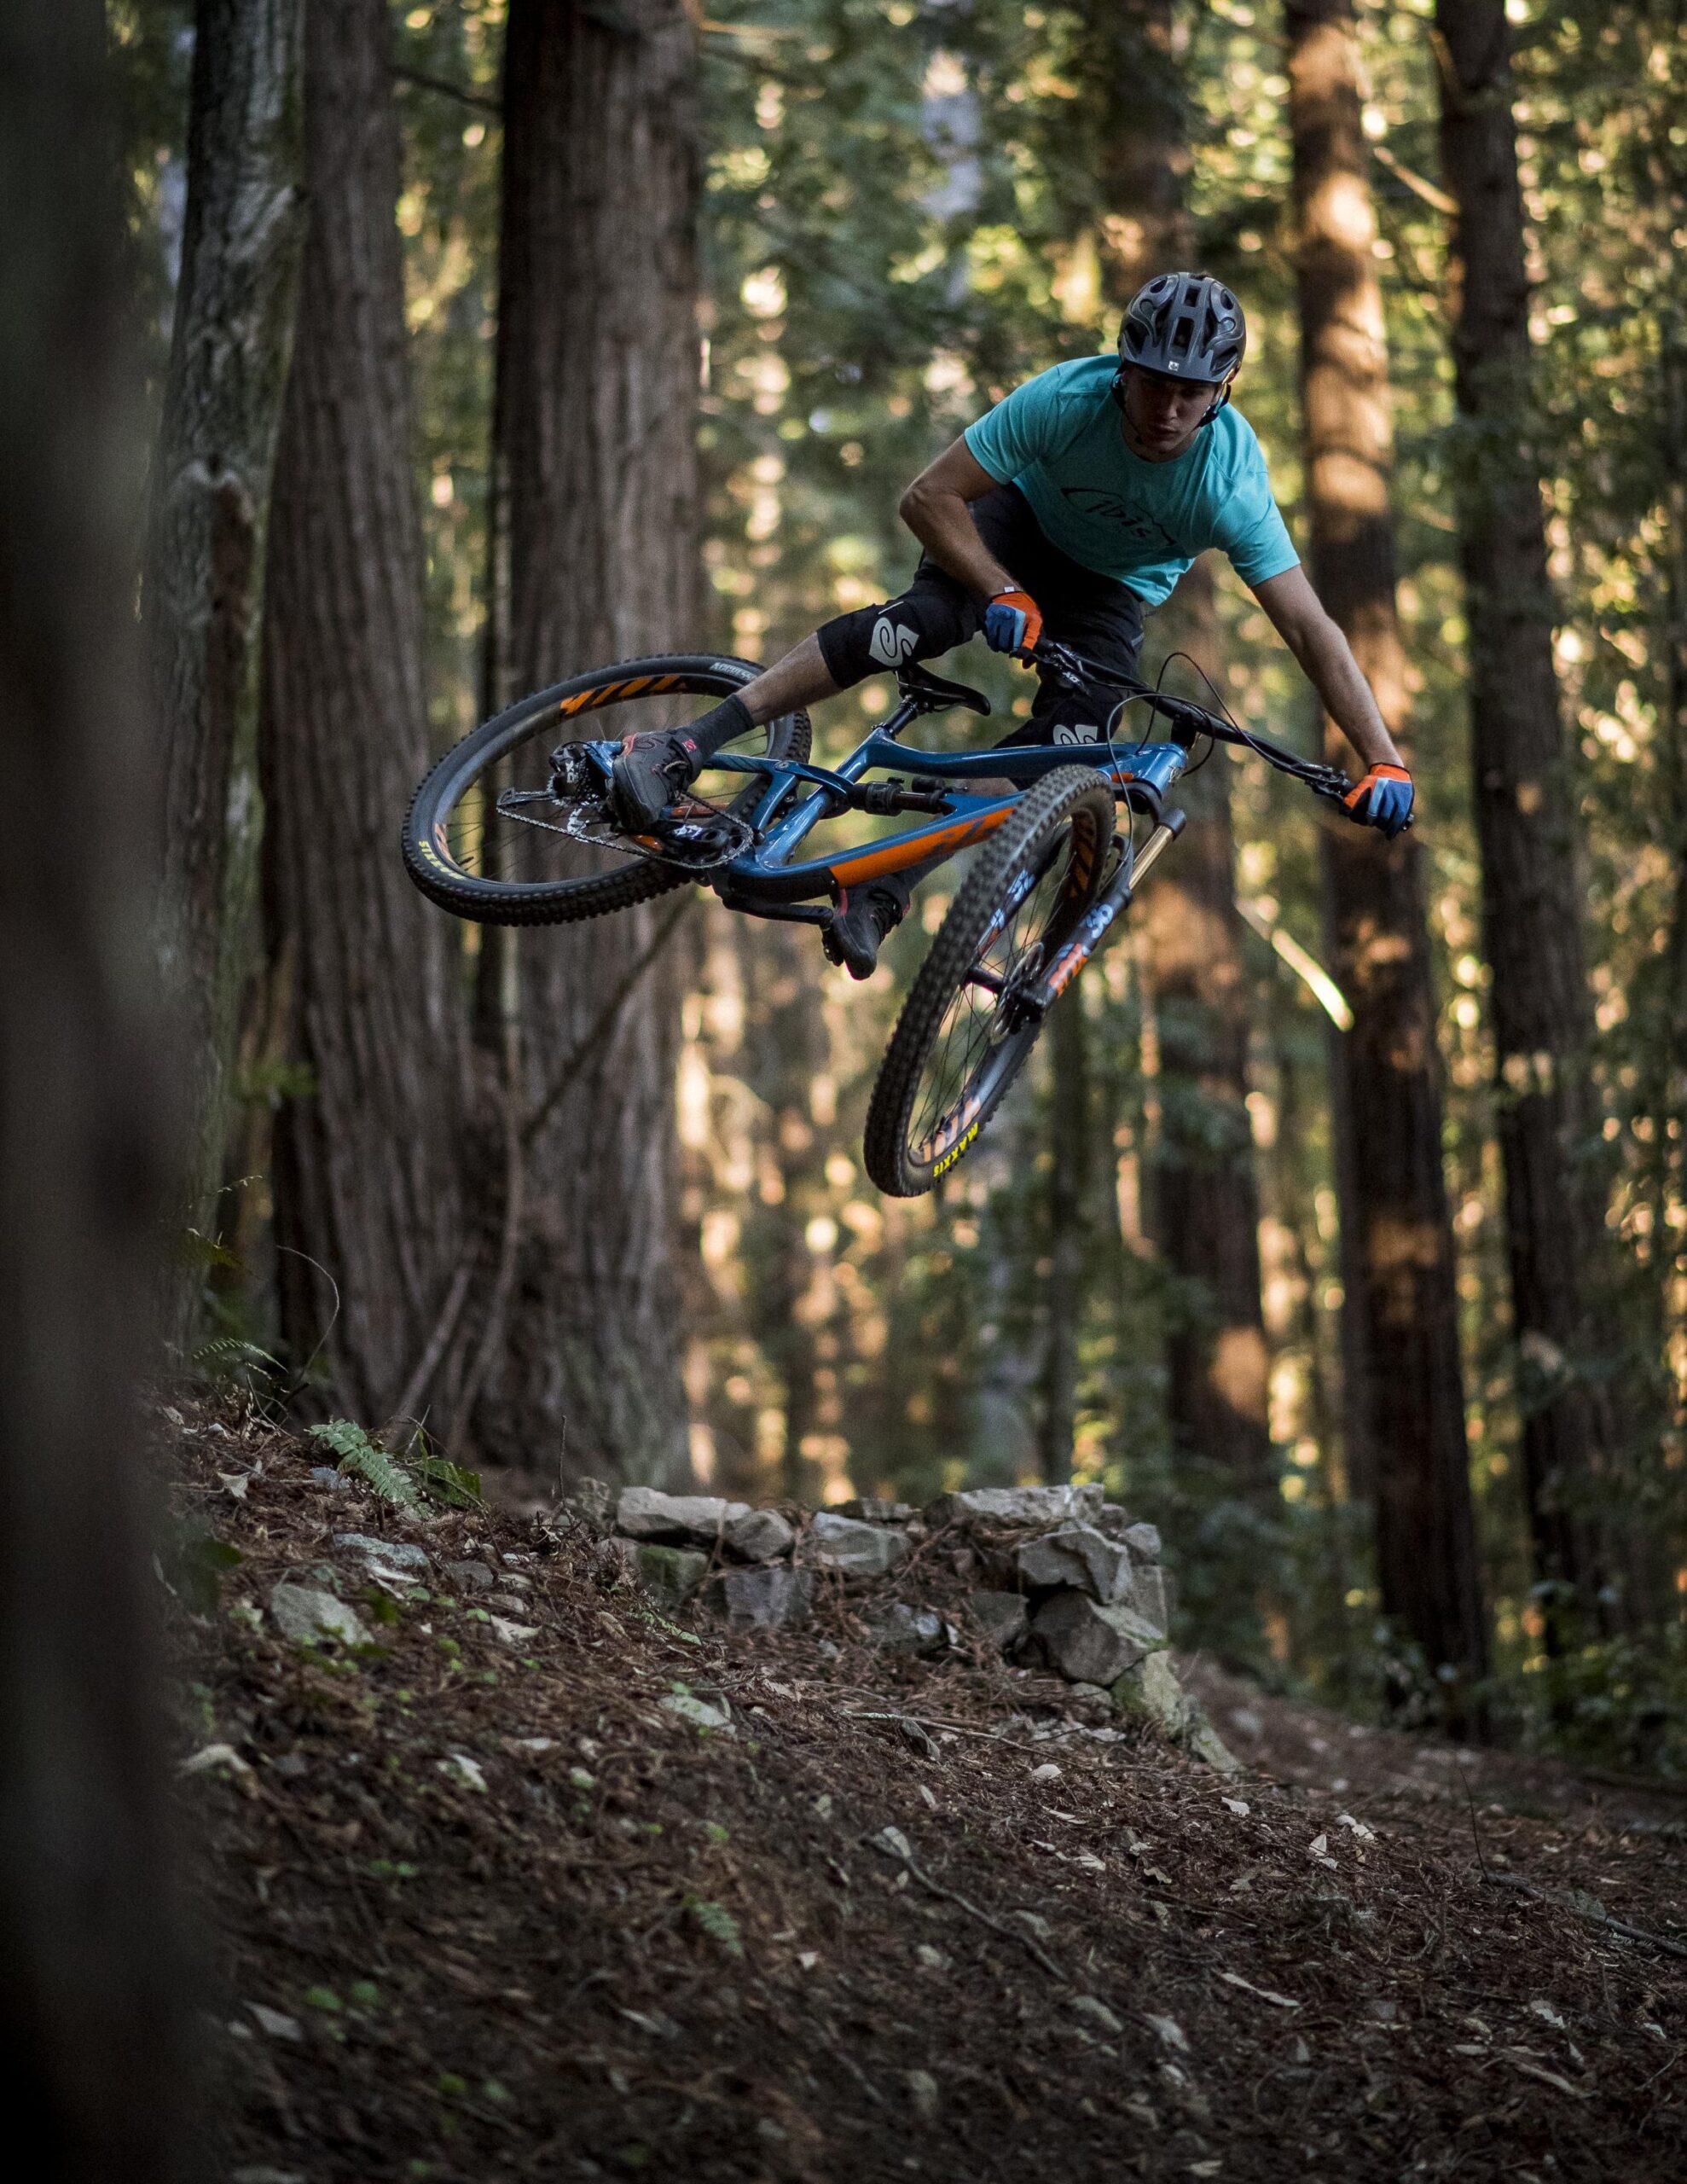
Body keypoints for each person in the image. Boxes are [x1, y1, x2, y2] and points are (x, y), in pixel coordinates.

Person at [612, 270, 1414, 977]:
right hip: (1012, 525)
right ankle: (680, 745)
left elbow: (1312, 631)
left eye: (1191, 392)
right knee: (918, 625)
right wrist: (1000, 589)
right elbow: (928, 497)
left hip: (1109, 589)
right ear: (1123, 371)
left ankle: (879, 889)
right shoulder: (1068, 400)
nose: (1168, 408)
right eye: (1152, 383)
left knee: (1073, 747)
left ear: (1223, 390)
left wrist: (1382, 759)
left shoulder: (1229, 484)